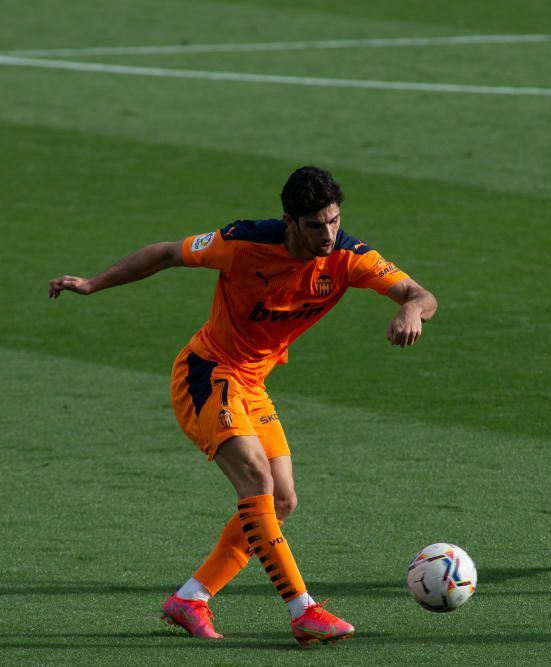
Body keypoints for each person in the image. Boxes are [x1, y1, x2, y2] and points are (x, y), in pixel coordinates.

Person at [49, 166, 438, 644]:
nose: (328, 234)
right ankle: (303, 610)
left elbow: (421, 294)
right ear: (289, 221)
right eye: (316, 225)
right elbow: (167, 253)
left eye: (334, 221)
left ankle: (190, 599)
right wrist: (92, 284)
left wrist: (410, 310)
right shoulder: (242, 243)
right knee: (257, 479)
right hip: (207, 373)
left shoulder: (349, 257)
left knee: (281, 499)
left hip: (252, 384)